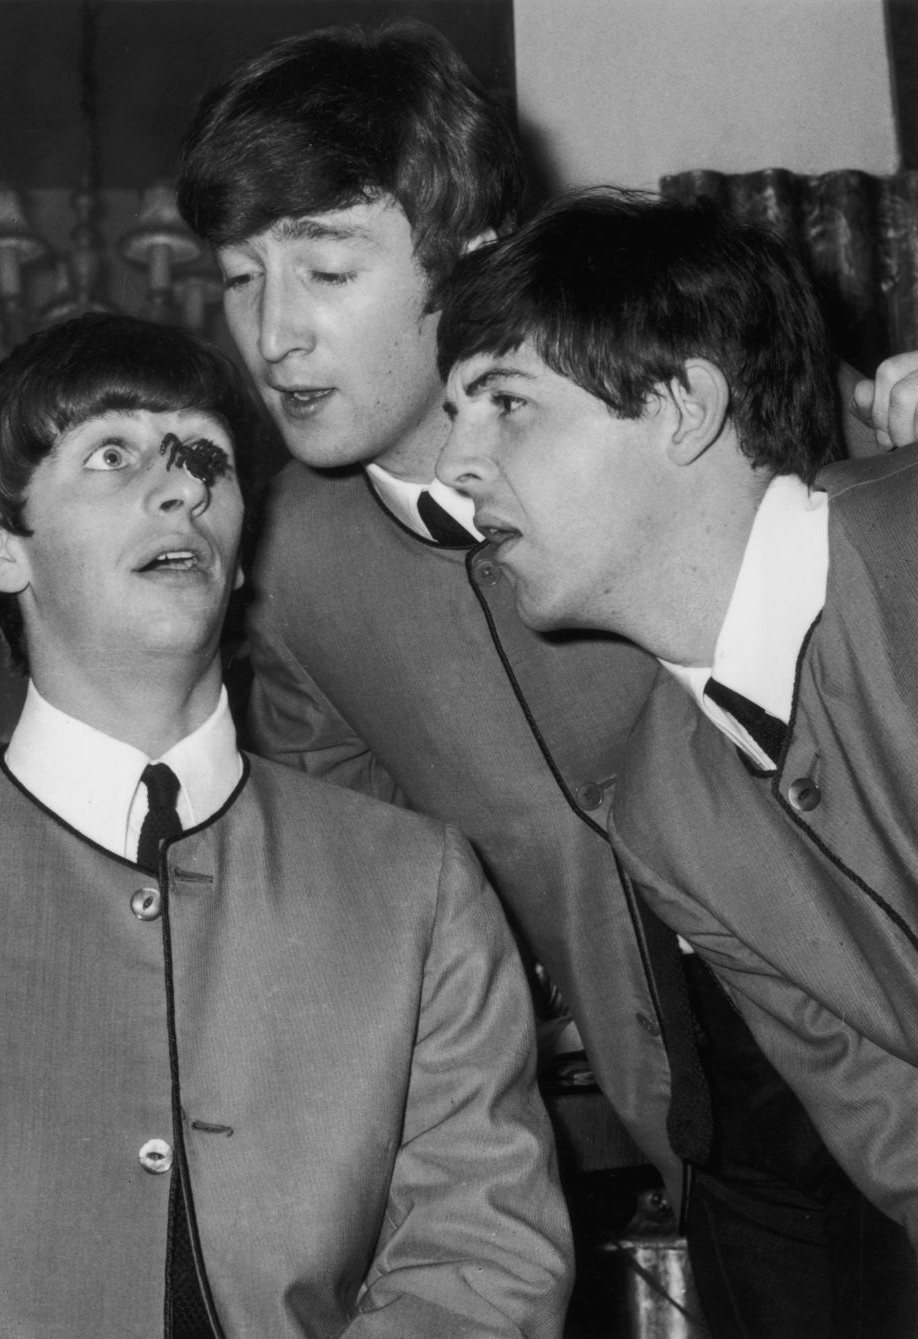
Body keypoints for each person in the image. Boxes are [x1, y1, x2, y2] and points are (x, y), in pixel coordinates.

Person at [176, 19, 918, 1337]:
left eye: (327, 267)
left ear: (468, 259)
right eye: (240, 280)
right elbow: (349, 871)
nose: (277, 334)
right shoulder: (288, 558)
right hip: (700, 1112)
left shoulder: (676, 389)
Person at [0, 313, 572, 1338]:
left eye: (208, 461)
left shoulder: (417, 882)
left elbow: (483, 1261)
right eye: (112, 455)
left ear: (245, 550)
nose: (183, 489)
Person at [437, 189, 918, 1311]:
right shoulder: (656, 810)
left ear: (682, 406)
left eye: (504, 403)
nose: (457, 464)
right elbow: (887, 1122)